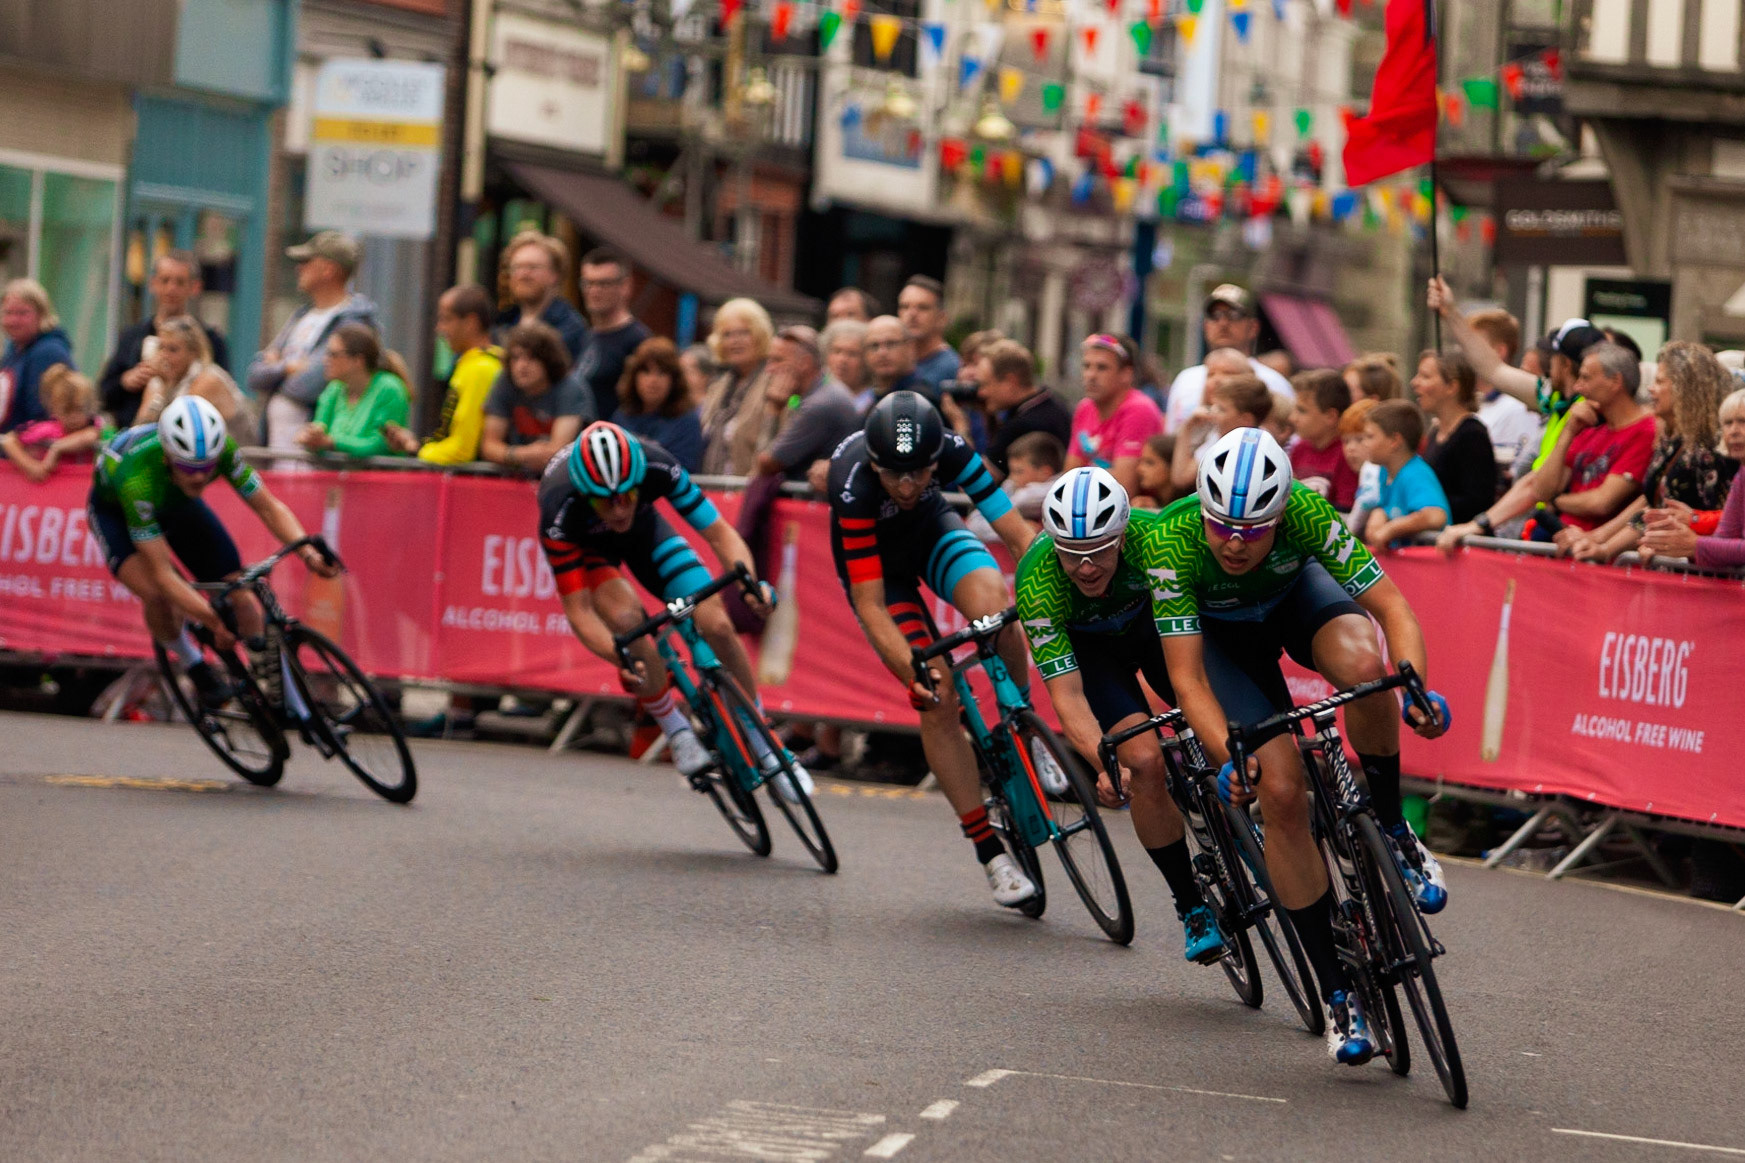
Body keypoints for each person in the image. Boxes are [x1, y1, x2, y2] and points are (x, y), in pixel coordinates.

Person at [1150, 427, 1450, 1064]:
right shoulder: (1172, 540)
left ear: (1281, 514)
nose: (1235, 542)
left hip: (1294, 601)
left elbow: (1393, 609)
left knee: (1367, 671)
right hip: (1224, 644)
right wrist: (1231, 755)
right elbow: (1187, 680)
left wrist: (1415, 689)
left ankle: (1393, 829)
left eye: (1254, 529)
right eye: (1221, 525)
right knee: (1282, 793)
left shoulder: (1309, 514)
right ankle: (1338, 994)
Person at [826, 392, 1037, 907]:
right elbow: (871, 605)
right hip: (881, 576)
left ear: (935, 460)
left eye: (919, 473)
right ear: (874, 464)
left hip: (932, 533)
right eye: (894, 475)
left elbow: (1018, 535)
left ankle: (1022, 724)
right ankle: (990, 853)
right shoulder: (852, 484)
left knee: (997, 610)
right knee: (937, 696)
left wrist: (1046, 589)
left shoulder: (951, 448)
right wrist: (913, 672)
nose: (906, 486)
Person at [1014, 467, 1233, 964]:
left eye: (1099, 551)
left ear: (1122, 535)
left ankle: (1237, 811)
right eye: (1071, 553)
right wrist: (1105, 764)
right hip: (1095, 657)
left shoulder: (1152, 537)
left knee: (1215, 714)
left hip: (1156, 629)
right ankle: (1191, 905)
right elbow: (1068, 698)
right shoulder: (1037, 580)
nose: (1086, 567)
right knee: (1144, 763)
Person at [537, 421, 808, 798]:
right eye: (603, 502)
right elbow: (579, 611)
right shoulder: (558, 504)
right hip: (593, 552)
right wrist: (618, 656)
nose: (618, 510)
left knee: (717, 625)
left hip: (647, 535)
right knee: (628, 624)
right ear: (585, 494)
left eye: (627, 496)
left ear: (637, 481)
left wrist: (750, 585)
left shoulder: (656, 464)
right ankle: (675, 729)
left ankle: (763, 737)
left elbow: (720, 533)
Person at [89, 396, 339, 707]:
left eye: (206, 467)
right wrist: (212, 621)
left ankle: (273, 686)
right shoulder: (135, 478)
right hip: (116, 513)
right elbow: (164, 575)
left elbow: (269, 507)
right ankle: (194, 664)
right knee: (158, 595)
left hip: (176, 501)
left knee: (238, 589)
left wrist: (308, 553)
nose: (199, 476)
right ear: (167, 457)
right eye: (188, 467)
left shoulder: (223, 451)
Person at [1569, 343, 1738, 563]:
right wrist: (1602, 544)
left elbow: (1729, 524)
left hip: (1698, 571)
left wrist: (1692, 541)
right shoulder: (1671, 441)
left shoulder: (1710, 450)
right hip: (1669, 566)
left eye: (1659, 382)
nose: (1651, 389)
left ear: (1683, 388)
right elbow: (1653, 508)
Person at [248, 232, 378, 452]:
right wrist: (287, 368)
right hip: (276, 446)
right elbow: (255, 375)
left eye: (307, 261)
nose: (299, 268)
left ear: (328, 270)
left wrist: (276, 368)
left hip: (314, 451)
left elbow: (308, 384)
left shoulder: (353, 322)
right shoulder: (301, 315)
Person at [1532, 343, 1656, 551]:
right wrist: (1568, 431)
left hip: (1596, 553)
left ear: (1615, 381)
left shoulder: (1646, 431)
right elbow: (1541, 490)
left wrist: (1557, 500)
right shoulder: (1588, 429)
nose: (1578, 387)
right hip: (1564, 545)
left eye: (1586, 378)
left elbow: (1601, 502)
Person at [99, 251, 230, 428]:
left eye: (180, 282)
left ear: (194, 287)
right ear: (153, 284)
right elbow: (104, 392)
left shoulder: (211, 340)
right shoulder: (132, 336)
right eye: (165, 280)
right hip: (135, 433)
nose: (171, 289)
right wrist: (126, 381)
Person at [384, 285, 502, 465]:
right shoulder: (472, 363)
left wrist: (419, 451)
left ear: (471, 322)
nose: (439, 328)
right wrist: (415, 444)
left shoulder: (480, 368)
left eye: (446, 319)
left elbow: (462, 450)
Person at [1164, 284, 1293, 435]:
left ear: (1253, 327)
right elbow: (1171, 437)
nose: (1223, 323)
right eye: (1215, 315)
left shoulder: (1273, 383)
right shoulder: (1185, 380)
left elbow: (1288, 442)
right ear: (1205, 326)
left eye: (1234, 315)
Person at [1648, 388, 1745, 567]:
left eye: (1743, 422)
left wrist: (1694, 545)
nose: (1734, 431)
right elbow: (1724, 536)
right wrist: (1669, 544)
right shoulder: (1742, 475)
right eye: (1727, 423)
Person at [480, 321, 591, 473]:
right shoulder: (505, 381)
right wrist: (522, 454)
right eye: (515, 358)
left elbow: (557, 454)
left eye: (531, 358)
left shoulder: (570, 387)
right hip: (519, 475)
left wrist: (508, 454)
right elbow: (488, 447)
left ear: (548, 361)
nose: (522, 366)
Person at [753, 326, 860, 482]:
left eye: (777, 360)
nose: (769, 369)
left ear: (805, 363)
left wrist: (774, 410)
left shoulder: (820, 404)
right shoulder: (823, 391)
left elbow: (766, 465)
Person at [1065, 333, 1163, 496]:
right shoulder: (1084, 408)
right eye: (1086, 366)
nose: (1091, 375)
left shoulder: (1139, 409)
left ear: (1126, 374)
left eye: (1102, 367)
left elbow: (1124, 486)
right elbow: (1069, 475)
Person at [295, 324, 412, 460]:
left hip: (378, 473)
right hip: (335, 472)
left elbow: (381, 445)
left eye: (333, 354)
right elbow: (320, 429)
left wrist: (331, 442)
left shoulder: (390, 388)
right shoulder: (334, 389)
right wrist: (310, 437)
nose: (325, 360)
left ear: (357, 360)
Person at [566, 247, 653, 420]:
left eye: (603, 284)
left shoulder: (639, 341)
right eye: (588, 283)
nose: (594, 291)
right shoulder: (585, 336)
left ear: (625, 286)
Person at [1412, 348, 1497, 524]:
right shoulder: (1435, 431)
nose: (1414, 383)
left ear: (1452, 387)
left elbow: (1477, 502)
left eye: (1425, 376)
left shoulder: (1472, 435)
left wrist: (1425, 508)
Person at [699, 298, 776, 476]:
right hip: (713, 485)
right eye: (727, 334)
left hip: (749, 486)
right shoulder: (717, 388)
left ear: (760, 335)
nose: (735, 341)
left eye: (744, 332)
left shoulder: (773, 384)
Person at [1359, 401, 1450, 550]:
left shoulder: (1415, 474)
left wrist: (1391, 529)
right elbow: (1391, 508)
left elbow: (1436, 516)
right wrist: (1380, 513)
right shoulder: (1384, 472)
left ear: (1394, 441)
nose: (1364, 443)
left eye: (1370, 436)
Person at [976, 339, 1072, 479]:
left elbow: (977, 481)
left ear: (1010, 381)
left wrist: (960, 427)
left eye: (985, 384)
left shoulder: (1022, 425)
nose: (981, 393)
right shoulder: (1053, 404)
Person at [1464, 308, 1542, 472]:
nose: (1467, 352)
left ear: (1499, 351)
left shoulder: (1519, 408)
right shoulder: (1476, 402)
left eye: (1474, 345)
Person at [1169, 373, 1271, 495]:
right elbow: (1181, 477)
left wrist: (1186, 430)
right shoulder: (1218, 437)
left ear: (1246, 420)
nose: (1213, 412)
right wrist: (1187, 427)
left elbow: (1181, 479)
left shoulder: (1264, 448)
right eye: (1213, 406)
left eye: (1221, 409)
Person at [494, 231, 589, 360]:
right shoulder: (503, 323)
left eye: (532, 267)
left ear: (555, 275)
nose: (523, 275)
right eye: (517, 267)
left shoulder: (570, 327)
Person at [136, 316, 246, 427]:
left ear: (193, 352)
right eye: (161, 348)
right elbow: (139, 429)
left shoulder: (208, 379)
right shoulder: (162, 379)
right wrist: (161, 386)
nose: (164, 356)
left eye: (173, 350)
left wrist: (165, 385)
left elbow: (179, 426)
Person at [614, 337, 704, 472]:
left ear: (674, 379)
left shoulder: (687, 422)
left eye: (662, 372)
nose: (653, 380)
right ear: (634, 376)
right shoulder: (622, 416)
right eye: (646, 371)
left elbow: (682, 471)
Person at [0, 365, 104, 482]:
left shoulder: (93, 424)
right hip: (52, 488)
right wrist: (31, 466)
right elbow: (7, 440)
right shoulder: (45, 429)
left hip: (82, 486)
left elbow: (90, 436)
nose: (73, 417)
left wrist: (57, 448)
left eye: (79, 409)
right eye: (66, 411)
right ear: (54, 409)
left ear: (88, 406)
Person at [1, 279, 75, 433]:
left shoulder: (48, 353)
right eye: (8, 313)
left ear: (42, 314)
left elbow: (45, 416)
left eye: (22, 313)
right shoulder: (14, 351)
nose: (13, 320)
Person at [967, 430, 1063, 541]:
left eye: (1019, 471)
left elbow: (1025, 497)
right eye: (1011, 471)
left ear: (1045, 473)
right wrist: (1020, 528)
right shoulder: (1012, 487)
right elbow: (975, 523)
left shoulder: (1054, 492)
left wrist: (1015, 529)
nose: (1012, 478)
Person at [1289, 369, 1359, 509]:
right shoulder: (1299, 449)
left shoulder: (1348, 453)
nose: (1292, 418)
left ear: (1330, 416)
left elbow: (1344, 511)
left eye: (1302, 411)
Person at [898, 276, 958, 396]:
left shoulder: (953, 369)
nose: (912, 314)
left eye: (923, 307)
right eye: (905, 306)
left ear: (942, 317)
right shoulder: (896, 363)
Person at [862, 315, 928, 405]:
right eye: (874, 345)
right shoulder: (870, 400)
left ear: (910, 347)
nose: (882, 353)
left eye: (891, 344)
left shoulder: (918, 401)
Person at [820, 319, 870, 405]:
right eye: (837, 351)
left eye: (852, 353)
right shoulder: (814, 394)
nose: (842, 360)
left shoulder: (875, 401)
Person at [1131, 432, 1175, 509]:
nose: (1139, 469)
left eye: (1149, 462)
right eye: (1141, 461)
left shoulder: (1190, 505)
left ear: (1172, 466)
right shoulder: (1150, 502)